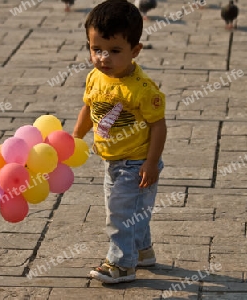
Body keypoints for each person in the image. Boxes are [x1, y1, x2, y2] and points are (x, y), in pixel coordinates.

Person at [72, 0, 167, 284]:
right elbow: (89, 108)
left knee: (120, 213)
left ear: (135, 50)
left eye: (114, 51)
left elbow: (159, 127)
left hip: (137, 163)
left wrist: (151, 164)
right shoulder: (96, 77)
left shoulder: (141, 89)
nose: (103, 58)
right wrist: (75, 137)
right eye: (96, 49)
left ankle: (121, 264)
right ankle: (141, 251)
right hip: (111, 160)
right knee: (133, 212)